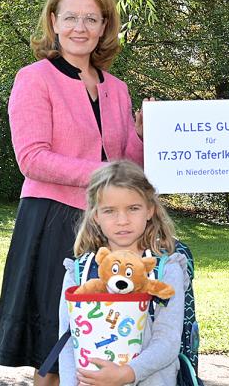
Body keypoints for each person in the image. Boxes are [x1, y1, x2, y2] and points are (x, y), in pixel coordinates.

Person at [0, 0, 147, 386]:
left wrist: (147, 137)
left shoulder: (118, 88)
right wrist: (104, 176)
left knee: (105, 340)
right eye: (71, 17)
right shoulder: (34, 78)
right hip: (53, 221)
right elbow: (32, 158)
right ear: (54, 22)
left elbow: (130, 165)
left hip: (110, 230)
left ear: (104, 26)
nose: (80, 28)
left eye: (91, 19)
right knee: (54, 350)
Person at [54, 161, 190, 386]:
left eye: (133, 208)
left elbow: (167, 339)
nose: (122, 220)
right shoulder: (79, 272)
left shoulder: (166, 270)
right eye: (109, 211)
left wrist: (128, 373)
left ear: (150, 210)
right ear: (95, 215)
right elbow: (68, 340)